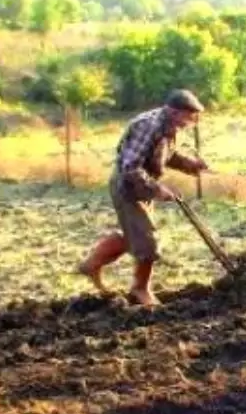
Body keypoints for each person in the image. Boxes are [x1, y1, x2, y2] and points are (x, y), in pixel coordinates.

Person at [77, 88, 209, 306]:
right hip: (128, 187)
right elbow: (131, 168)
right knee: (147, 241)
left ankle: (91, 264)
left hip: (141, 187)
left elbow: (166, 155)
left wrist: (190, 165)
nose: (191, 121)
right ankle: (140, 289)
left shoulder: (168, 127)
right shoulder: (148, 127)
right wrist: (158, 189)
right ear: (175, 112)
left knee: (134, 236)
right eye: (189, 115)